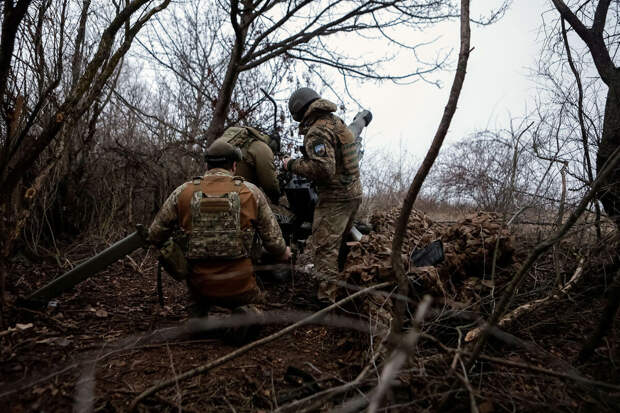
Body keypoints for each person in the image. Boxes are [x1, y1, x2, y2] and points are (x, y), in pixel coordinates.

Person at [148, 139, 291, 317]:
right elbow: (275, 243)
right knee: (257, 303)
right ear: (234, 165)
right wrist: (284, 253)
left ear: (207, 165)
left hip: (199, 286)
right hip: (241, 286)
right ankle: (243, 315)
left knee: (201, 303)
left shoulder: (183, 192)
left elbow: (154, 235)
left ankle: (206, 313)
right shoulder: (251, 192)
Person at [283, 87, 371, 302]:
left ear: (298, 111)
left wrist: (291, 164)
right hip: (352, 193)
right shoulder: (335, 122)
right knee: (339, 243)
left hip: (335, 198)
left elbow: (324, 169)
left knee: (324, 248)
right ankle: (345, 287)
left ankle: (327, 300)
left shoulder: (317, 131)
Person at [215, 126, 281, 203]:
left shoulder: (241, 142)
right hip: (238, 197)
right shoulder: (263, 148)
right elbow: (270, 185)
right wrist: (276, 197)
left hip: (212, 191)